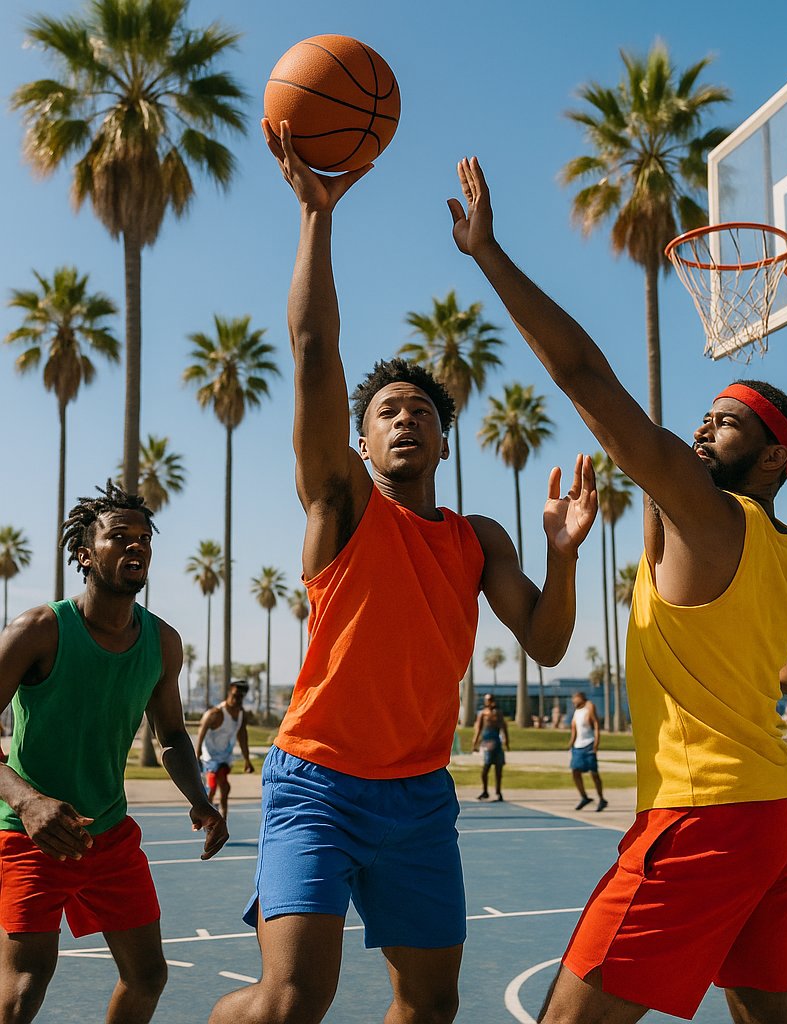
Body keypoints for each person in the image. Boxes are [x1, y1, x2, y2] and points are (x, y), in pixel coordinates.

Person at [206, 123, 597, 1024]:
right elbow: (311, 350)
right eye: (386, 410)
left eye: (421, 408)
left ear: (442, 438)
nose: (405, 418)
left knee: (430, 1002)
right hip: (319, 779)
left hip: (419, 796)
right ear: (363, 436)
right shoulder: (341, 505)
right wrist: (316, 217)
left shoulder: (479, 537)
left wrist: (563, 556)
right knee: (290, 1001)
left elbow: (544, 643)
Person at [451, 156, 787, 1024]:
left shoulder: (708, 514)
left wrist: (490, 256)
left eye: (725, 422)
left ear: (772, 457)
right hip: (777, 819)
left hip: (707, 815)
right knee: (770, 1017)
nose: (702, 426)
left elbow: (586, 379)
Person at [0, 481, 228, 1024]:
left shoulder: (162, 642)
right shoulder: (38, 631)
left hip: (110, 835)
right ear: (83, 552)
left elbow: (171, 735)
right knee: (25, 988)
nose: (136, 546)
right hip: (33, 835)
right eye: (118, 536)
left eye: (144, 537)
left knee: (147, 977)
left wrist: (200, 799)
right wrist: (29, 803)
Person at [196, 680, 254, 821]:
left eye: (240, 697)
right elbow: (201, 733)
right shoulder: (215, 713)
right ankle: (207, 817)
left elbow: (243, 737)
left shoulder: (241, 715)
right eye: (235, 695)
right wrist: (196, 755)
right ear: (229, 693)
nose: (237, 699)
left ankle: (223, 820)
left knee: (225, 788)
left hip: (224, 757)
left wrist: (247, 760)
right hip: (209, 757)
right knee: (212, 786)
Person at [568, 692, 605, 811]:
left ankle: (601, 798)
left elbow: (596, 724)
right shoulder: (576, 712)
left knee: (594, 773)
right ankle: (584, 797)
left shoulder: (589, 707)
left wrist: (596, 743)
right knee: (575, 772)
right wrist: (571, 744)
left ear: (581, 698)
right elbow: (574, 729)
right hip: (578, 747)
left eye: (575, 698)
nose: (573, 700)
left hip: (589, 744)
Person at [472, 693, 509, 801]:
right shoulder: (483, 713)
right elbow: (478, 729)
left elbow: (504, 728)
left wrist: (506, 741)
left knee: (498, 769)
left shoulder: (498, 713)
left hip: (497, 742)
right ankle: (485, 791)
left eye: (491, 699)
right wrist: (475, 743)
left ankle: (498, 792)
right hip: (487, 743)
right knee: (485, 769)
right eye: (488, 700)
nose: (489, 702)